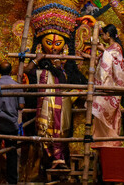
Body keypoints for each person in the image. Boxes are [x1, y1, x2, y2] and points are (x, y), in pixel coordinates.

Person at [23, 32, 86, 169]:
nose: (53, 48)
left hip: (61, 105)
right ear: (40, 45)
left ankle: (59, 159)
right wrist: (36, 60)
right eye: (49, 43)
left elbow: (64, 80)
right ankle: (50, 159)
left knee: (60, 130)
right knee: (45, 130)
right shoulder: (43, 71)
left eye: (58, 44)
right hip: (46, 104)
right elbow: (27, 70)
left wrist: (58, 66)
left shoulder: (64, 68)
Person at [0, 61, 24, 184]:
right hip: (11, 124)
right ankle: (12, 181)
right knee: (11, 153)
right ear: (11, 71)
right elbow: (21, 105)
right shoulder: (17, 86)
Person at [91, 24, 124, 147]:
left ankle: (109, 141)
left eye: (103, 34)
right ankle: (102, 141)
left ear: (108, 35)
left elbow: (115, 63)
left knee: (106, 112)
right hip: (103, 85)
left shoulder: (116, 47)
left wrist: (103, 51)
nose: (102, 36)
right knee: (100, 113)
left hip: (110, 86)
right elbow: (103, 62)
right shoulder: (109, 48)